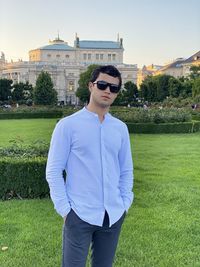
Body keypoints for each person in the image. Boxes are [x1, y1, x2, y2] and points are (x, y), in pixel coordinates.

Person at [46, 65, 134, 267]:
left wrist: (124, 203)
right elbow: (53, 171)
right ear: (90, 86)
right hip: (79, 213)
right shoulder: (67, 125)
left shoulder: (120, 128)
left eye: (114, 88)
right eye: (102, 85)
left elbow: (126, 169)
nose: (107, 91)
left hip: (112, 214)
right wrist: (65, 210)